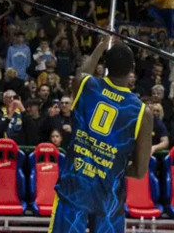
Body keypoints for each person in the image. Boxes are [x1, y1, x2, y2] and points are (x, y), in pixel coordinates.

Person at [49, 37, 152, 233]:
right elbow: (140, 171)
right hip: (109, 199)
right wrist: (112, 167)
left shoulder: (86, 85)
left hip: (74, 188)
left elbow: (82, 72)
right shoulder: (141, 112)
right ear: (132, 69)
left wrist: (102, 45)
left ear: (104, 65)